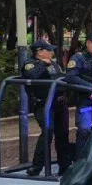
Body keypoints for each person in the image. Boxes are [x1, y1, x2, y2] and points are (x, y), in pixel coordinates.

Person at [21, 39, 71, 175]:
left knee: (63, 134)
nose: (51, 52)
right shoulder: (30, 64)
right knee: (47, 132)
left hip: (59, 103)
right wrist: (43, 63)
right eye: (48, 50)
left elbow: (61, 77)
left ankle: (64, 166)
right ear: (40, 52)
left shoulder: (53, 63)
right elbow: (32, 75)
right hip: (44, 104)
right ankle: (37, 166)